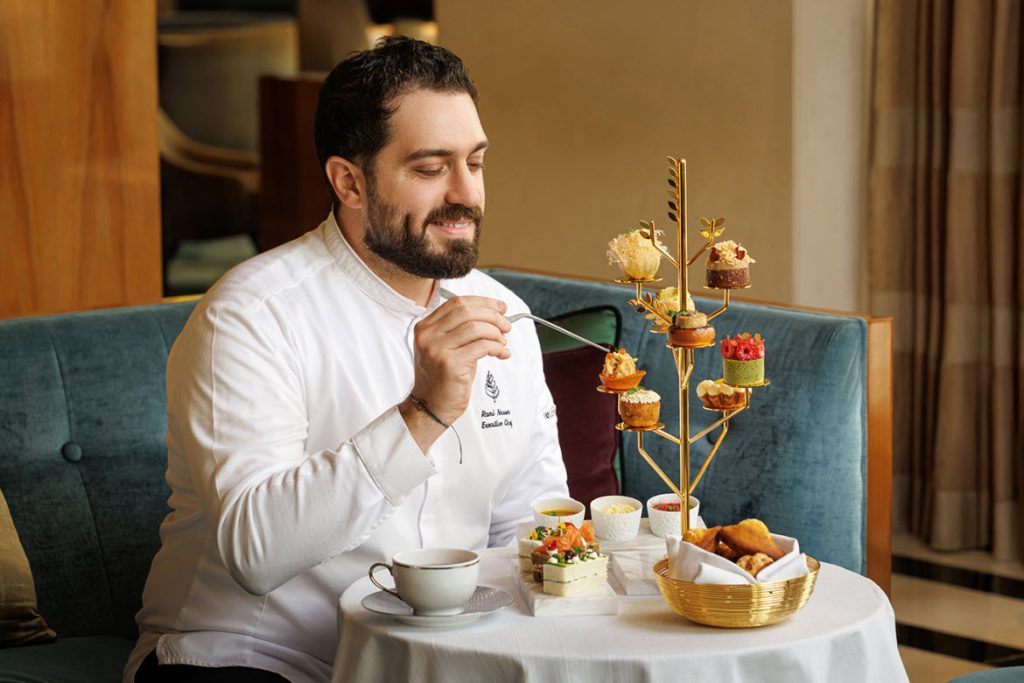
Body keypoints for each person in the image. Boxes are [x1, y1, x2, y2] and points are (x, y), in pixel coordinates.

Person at [125, 37, 569, 683]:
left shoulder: (502, 312)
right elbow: (257, 551)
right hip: (250, 654)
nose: (465, 194)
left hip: (431, 658)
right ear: (349, 181)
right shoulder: (250, 314)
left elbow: (530, 519)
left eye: (474, 162)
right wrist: (423, 411)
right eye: (429, 168)